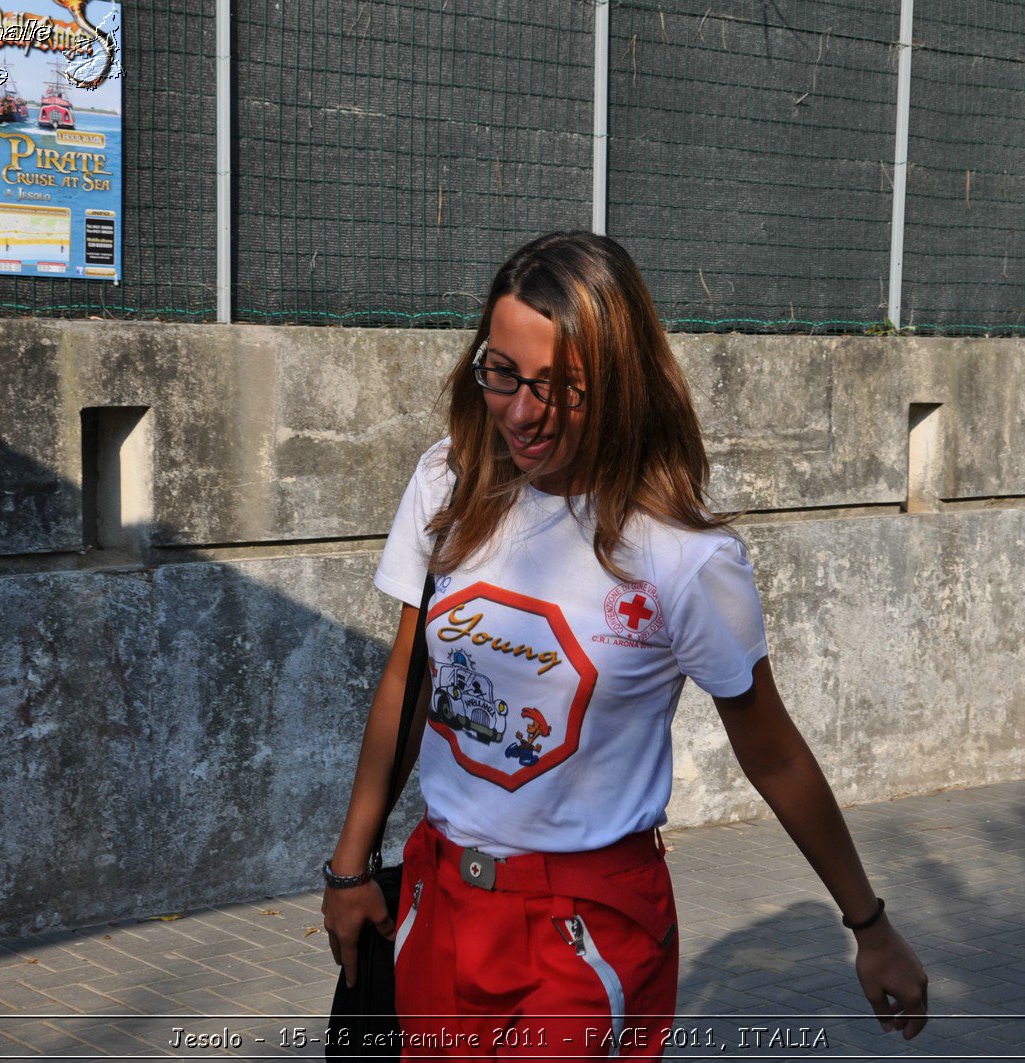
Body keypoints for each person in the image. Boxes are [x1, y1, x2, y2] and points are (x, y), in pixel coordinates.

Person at [321, 231, 927, 1059]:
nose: (523, 413)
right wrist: (349, 867)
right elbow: (408, 678)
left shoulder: (683, 557)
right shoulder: (447, 483)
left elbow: (773, 751)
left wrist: (870, 924)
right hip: (440, 903)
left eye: (558, 388)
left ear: (618, 387)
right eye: (502, 372)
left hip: (587, 928)